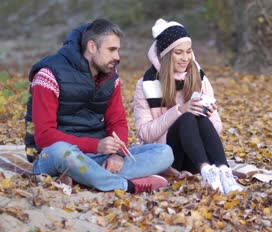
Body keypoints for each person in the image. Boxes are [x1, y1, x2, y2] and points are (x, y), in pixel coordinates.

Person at [24, 18, 174, 194]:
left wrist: (117, 154)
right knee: (61, 152)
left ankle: (84, 178)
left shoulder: (110, 76)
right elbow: (43, 136)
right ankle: (126, 185)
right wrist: (96, 145)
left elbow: (117, 122)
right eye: (111, 50)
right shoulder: (48, 75)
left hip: (96, 156)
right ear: (92, 47)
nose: (117, 57)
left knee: (165, 153)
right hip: (52, 156)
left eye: (118, 50)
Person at [133, 18, 243, 194]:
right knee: (186, 115)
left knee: (196, 115)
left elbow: (216, 127)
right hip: (168, 157)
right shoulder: (146, 84)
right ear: (166, 55)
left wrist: (208, 114)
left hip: (196, 157)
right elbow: (145, 135)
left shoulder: (199, 78)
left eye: (189, 51)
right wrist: (179, 110)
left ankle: (223, 171)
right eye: (178, 52)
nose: (185, 58)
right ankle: (207, 171)